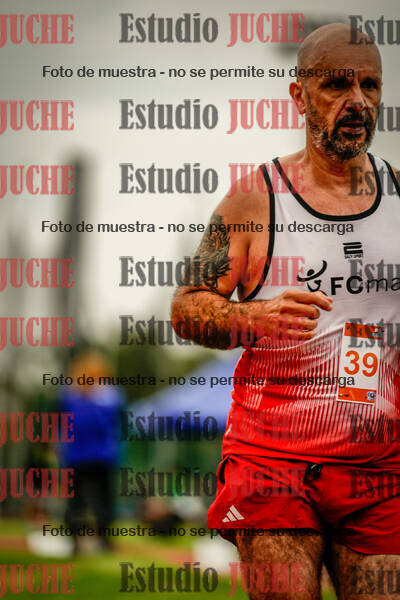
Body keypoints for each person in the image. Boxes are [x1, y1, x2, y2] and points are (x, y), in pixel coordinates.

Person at [171, 23, 400, 600]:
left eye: (370, 85)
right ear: (299, 95)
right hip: (271, 458)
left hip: (379, 463)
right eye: (336, 85)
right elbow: (186, 307)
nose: (357, 101)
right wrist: (252, 318)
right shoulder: (255, 198)